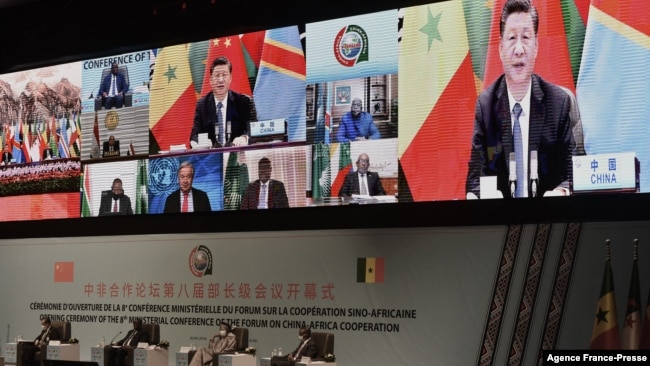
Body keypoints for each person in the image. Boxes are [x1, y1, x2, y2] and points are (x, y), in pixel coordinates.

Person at [465, 0, 575, 199]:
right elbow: (474, 179)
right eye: (511, 38)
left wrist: (561, 191)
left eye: (525, 37)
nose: (519, 49)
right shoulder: (486, 106)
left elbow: (575, 169)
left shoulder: (558, 103)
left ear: (536, 46)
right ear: (500, 48)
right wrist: (484, 196)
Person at [189, 56, 257, 148]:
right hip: (212, 158)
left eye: (224, 75)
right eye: (217, 75)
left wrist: (244, 138)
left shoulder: (244, 102)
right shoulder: (202, 105)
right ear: (210, 80)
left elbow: (254, 130)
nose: (220, 80)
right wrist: (203, 142)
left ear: (230, 78)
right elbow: (194, 137)